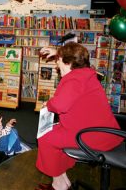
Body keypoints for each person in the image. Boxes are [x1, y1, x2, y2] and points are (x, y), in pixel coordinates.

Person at [36, 42, 123, 190]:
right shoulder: (86, 73)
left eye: (58, 60)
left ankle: (59, 184)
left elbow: (61, 105)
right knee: (54, 131)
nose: (57, 64)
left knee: (45, 137)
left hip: (93, 135)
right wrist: (58, 52)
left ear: (68, 62)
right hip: (103, 132)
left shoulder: (74, 79)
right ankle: (62, 181)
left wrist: (49, 105)